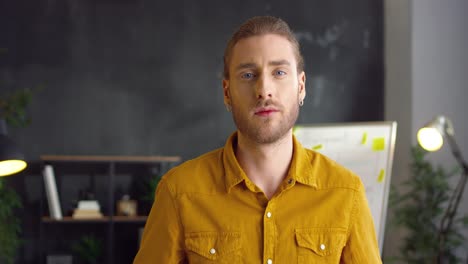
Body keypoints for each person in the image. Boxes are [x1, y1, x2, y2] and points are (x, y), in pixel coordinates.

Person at [133, 16, 382, 263]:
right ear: (227, 92)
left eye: (280, 72)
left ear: (301, 86)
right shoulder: (179, 192)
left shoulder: (346, 192)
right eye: (248, 75)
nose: (264, 89)